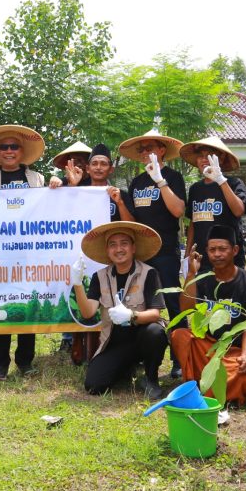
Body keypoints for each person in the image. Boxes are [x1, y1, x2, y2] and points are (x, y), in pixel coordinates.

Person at [0, 124, 63, 381]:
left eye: (14, 147)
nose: (9, 151)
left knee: (28, 302)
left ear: (22, 152)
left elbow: (49, 206)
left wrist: (57, 184)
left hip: (29, 254)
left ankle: (25, 361)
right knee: (1, 305)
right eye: (4, 147)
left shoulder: (36, 179)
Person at [170, 224, 246, 405]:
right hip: (207, 347)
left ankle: (204, 388)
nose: (217, 254)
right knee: (179, 336)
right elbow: (185, 307)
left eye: (222, 249)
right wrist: (191, 274)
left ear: (235, 250)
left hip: (234, 352)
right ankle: (197, 384)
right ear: (206, 252)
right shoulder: (204, 279)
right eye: (212, 250)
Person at [69, 221, 167, 399]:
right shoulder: (99, 277)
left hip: (141, 336)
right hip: (114, 342)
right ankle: (125, 368)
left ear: (133, 247)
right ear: (107, 250)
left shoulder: (149, 273)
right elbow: (87, 312)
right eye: (112, 245)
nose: (119, 249)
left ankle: (151, 379)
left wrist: (131, 315)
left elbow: (155, 314)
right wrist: (77, 284)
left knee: (156, 332)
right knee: (94, 386)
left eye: (124, 243)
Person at [119, 129, 187, 375]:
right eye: (142, 149)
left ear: (161, 150)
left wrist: (160, 181)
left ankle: (181, 360)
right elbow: (134, 219)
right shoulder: (136, 183)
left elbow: (178, 211)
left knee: (173, 303)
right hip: (141, 253)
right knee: (140, 304)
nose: (146, 153)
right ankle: (141, 358)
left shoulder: (173, 177)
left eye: (151, 148)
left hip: (166, 250)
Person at [60, 142, 132, 363]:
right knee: (82, 296)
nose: (99, 168)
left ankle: (109, 344)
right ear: (88, 168)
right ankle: (76, 343)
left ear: (111, 169)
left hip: (112, 258)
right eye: (95, 164)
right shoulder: (77, 189)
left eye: (104, 164)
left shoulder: (119, 193)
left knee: (111, 300)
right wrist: (72, 187)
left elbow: (131, 226)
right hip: (82, 254)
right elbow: (62, 214)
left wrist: (119, 203)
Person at [179, 136, 246, 270]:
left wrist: (221, 180)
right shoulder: (195, 189)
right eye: (201, 155)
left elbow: (239, 210)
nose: (204, 159)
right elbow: (193, 223)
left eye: (210, 155)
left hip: (228, 258)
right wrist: (187, 253)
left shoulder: (234, 183)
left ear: (220, 159)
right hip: (201, 258)